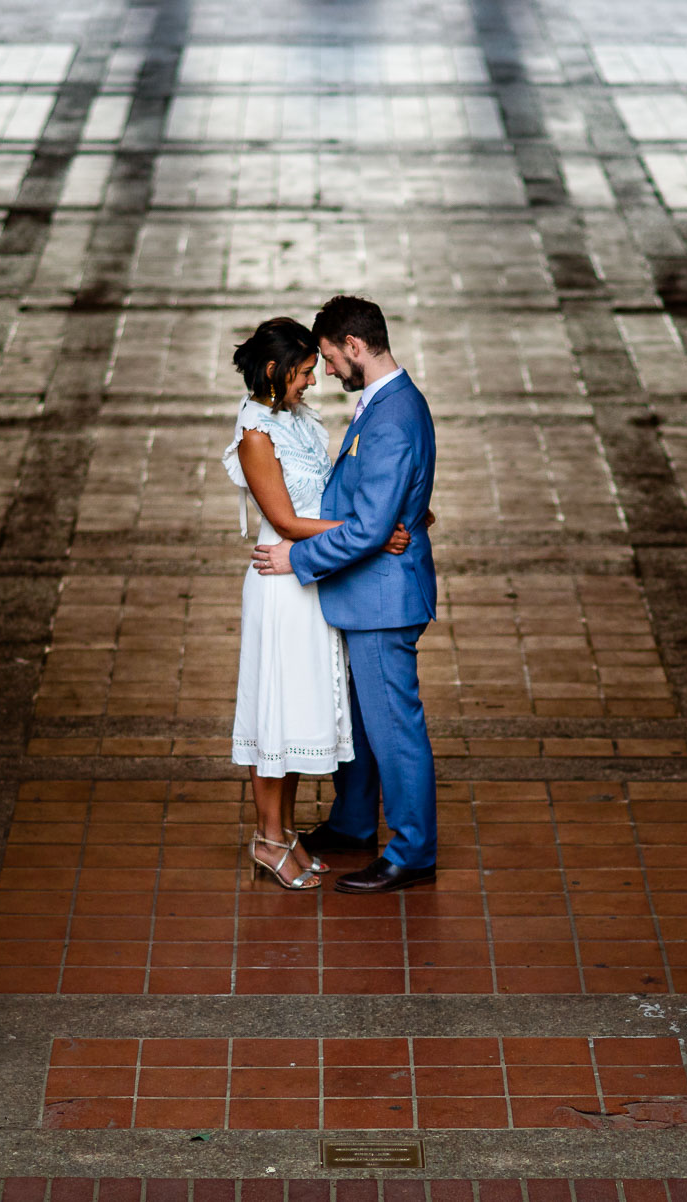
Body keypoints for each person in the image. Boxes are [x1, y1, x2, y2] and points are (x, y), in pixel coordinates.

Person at [251, 296, 439, 894]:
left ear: (354, 347)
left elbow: (368, 528)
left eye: (331, 358)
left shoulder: (390, 417)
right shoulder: (387, 403)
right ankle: (355, 824)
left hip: (383, 601)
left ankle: (412, 853)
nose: (328, 370)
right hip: (367, 593)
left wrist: (294, 555)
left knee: (393, 731)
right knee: (360, 721)